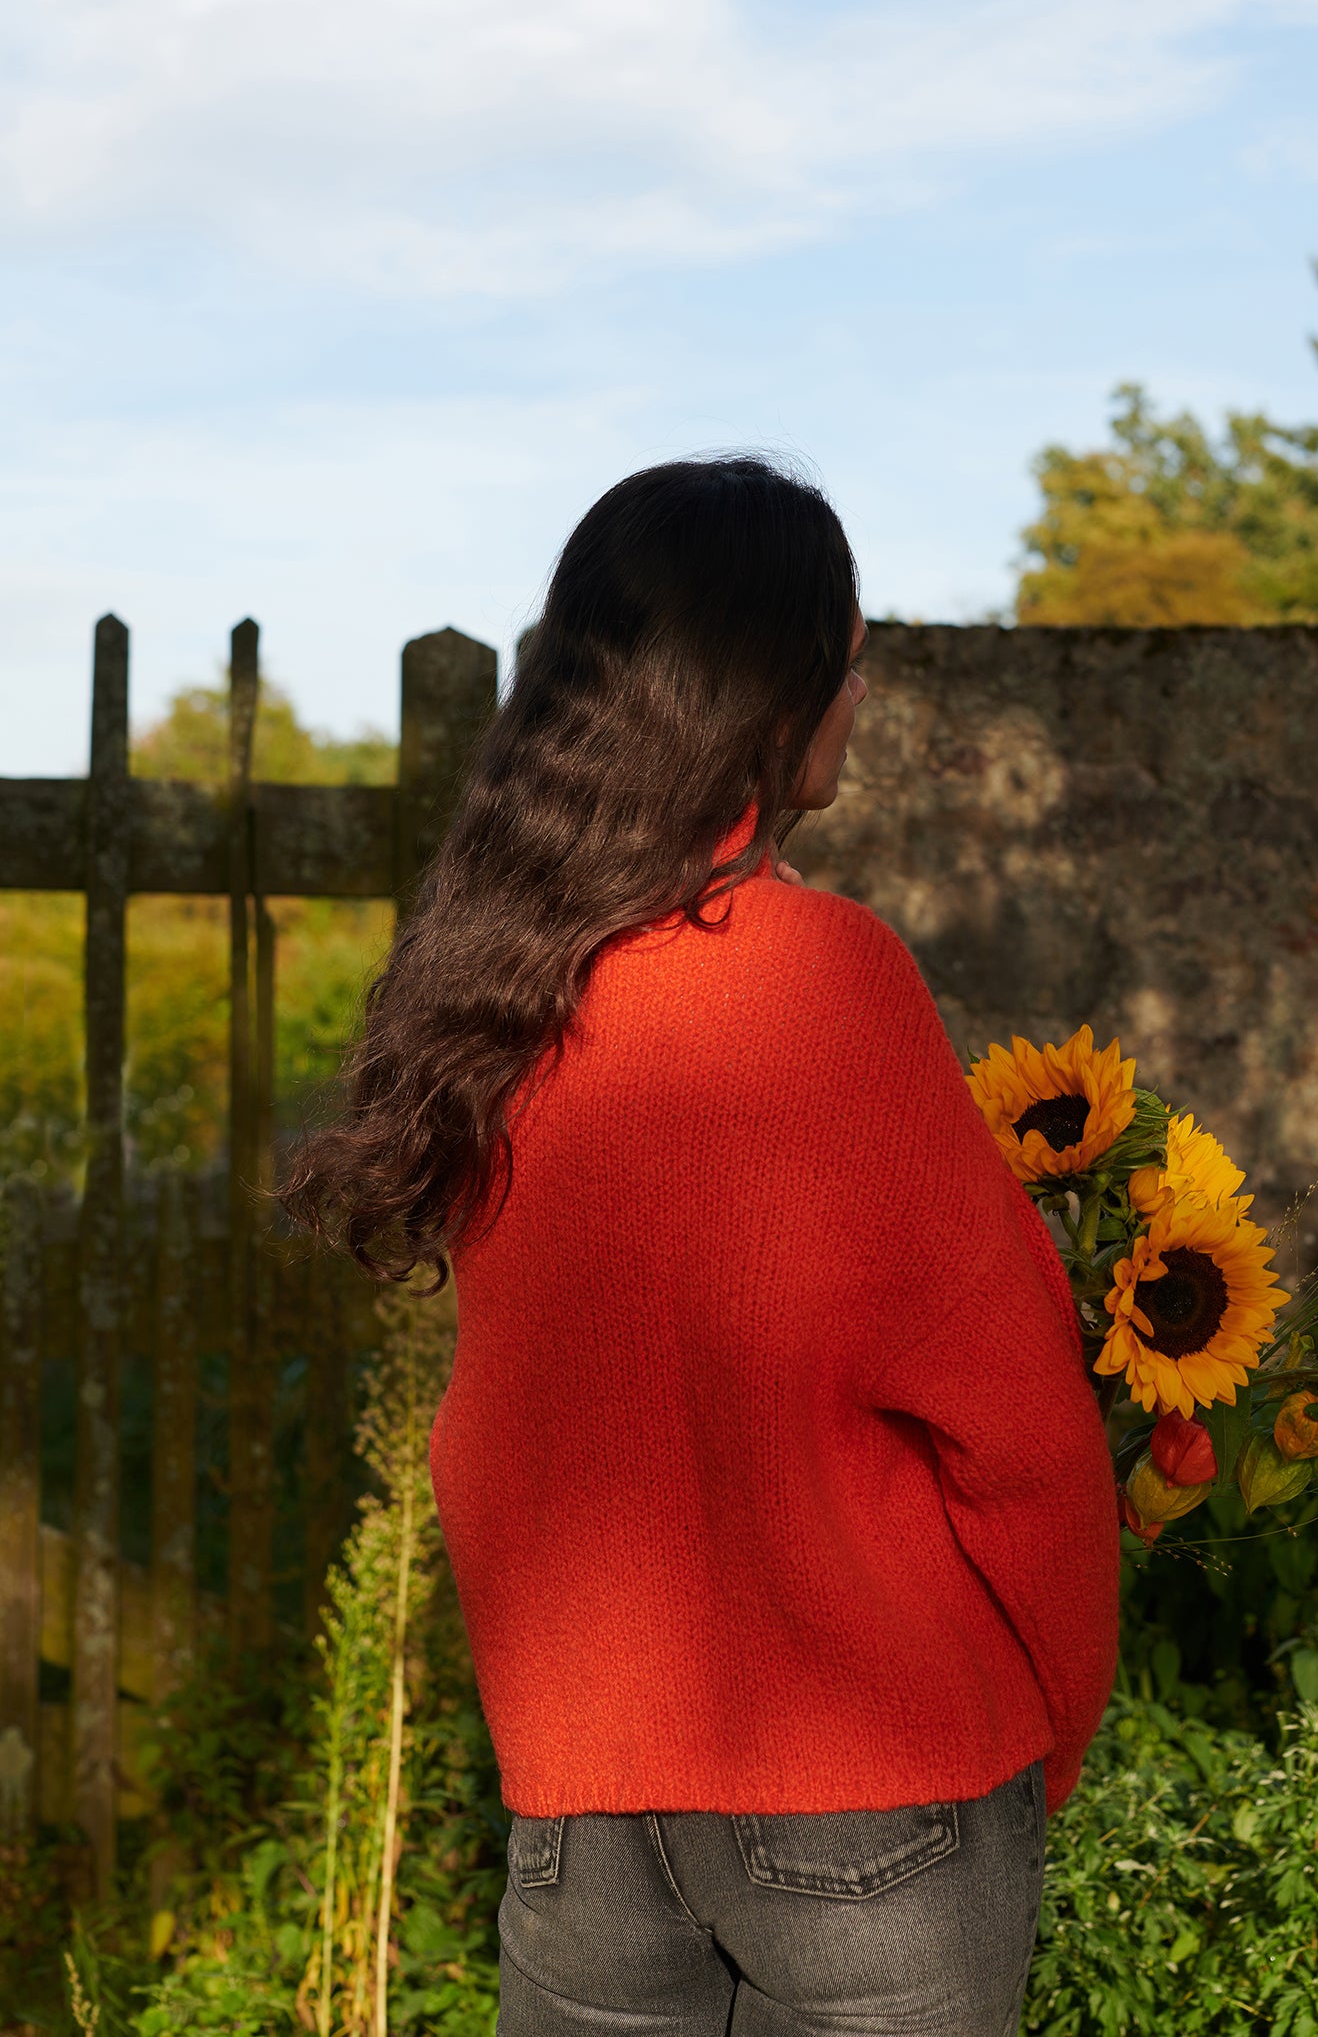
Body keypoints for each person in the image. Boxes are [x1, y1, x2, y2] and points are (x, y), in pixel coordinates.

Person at [287, 457, 1119, 2036]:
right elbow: (1020, 1429)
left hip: (584, 1816)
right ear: (769, 692)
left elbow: (506, 1437)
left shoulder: (501, 990)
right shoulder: (825, 980)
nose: (861, 693)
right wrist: (1050, 1726)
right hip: (872, 1798)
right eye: (847, 656)